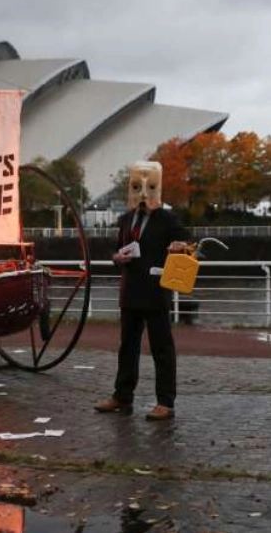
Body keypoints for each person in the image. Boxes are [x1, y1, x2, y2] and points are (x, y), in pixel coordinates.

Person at [94, 161, 189, 421]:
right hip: (131, 291)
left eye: (149, 187)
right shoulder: (126, 219)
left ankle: (165, 402)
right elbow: (117, 249)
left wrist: (180, 246)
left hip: (155, 292)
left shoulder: (167, 219)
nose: (143, 194)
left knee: (162, 348)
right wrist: (116, 258)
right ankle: (122, 396)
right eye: (137, 187)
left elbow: (187, 242)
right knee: (127, 347)